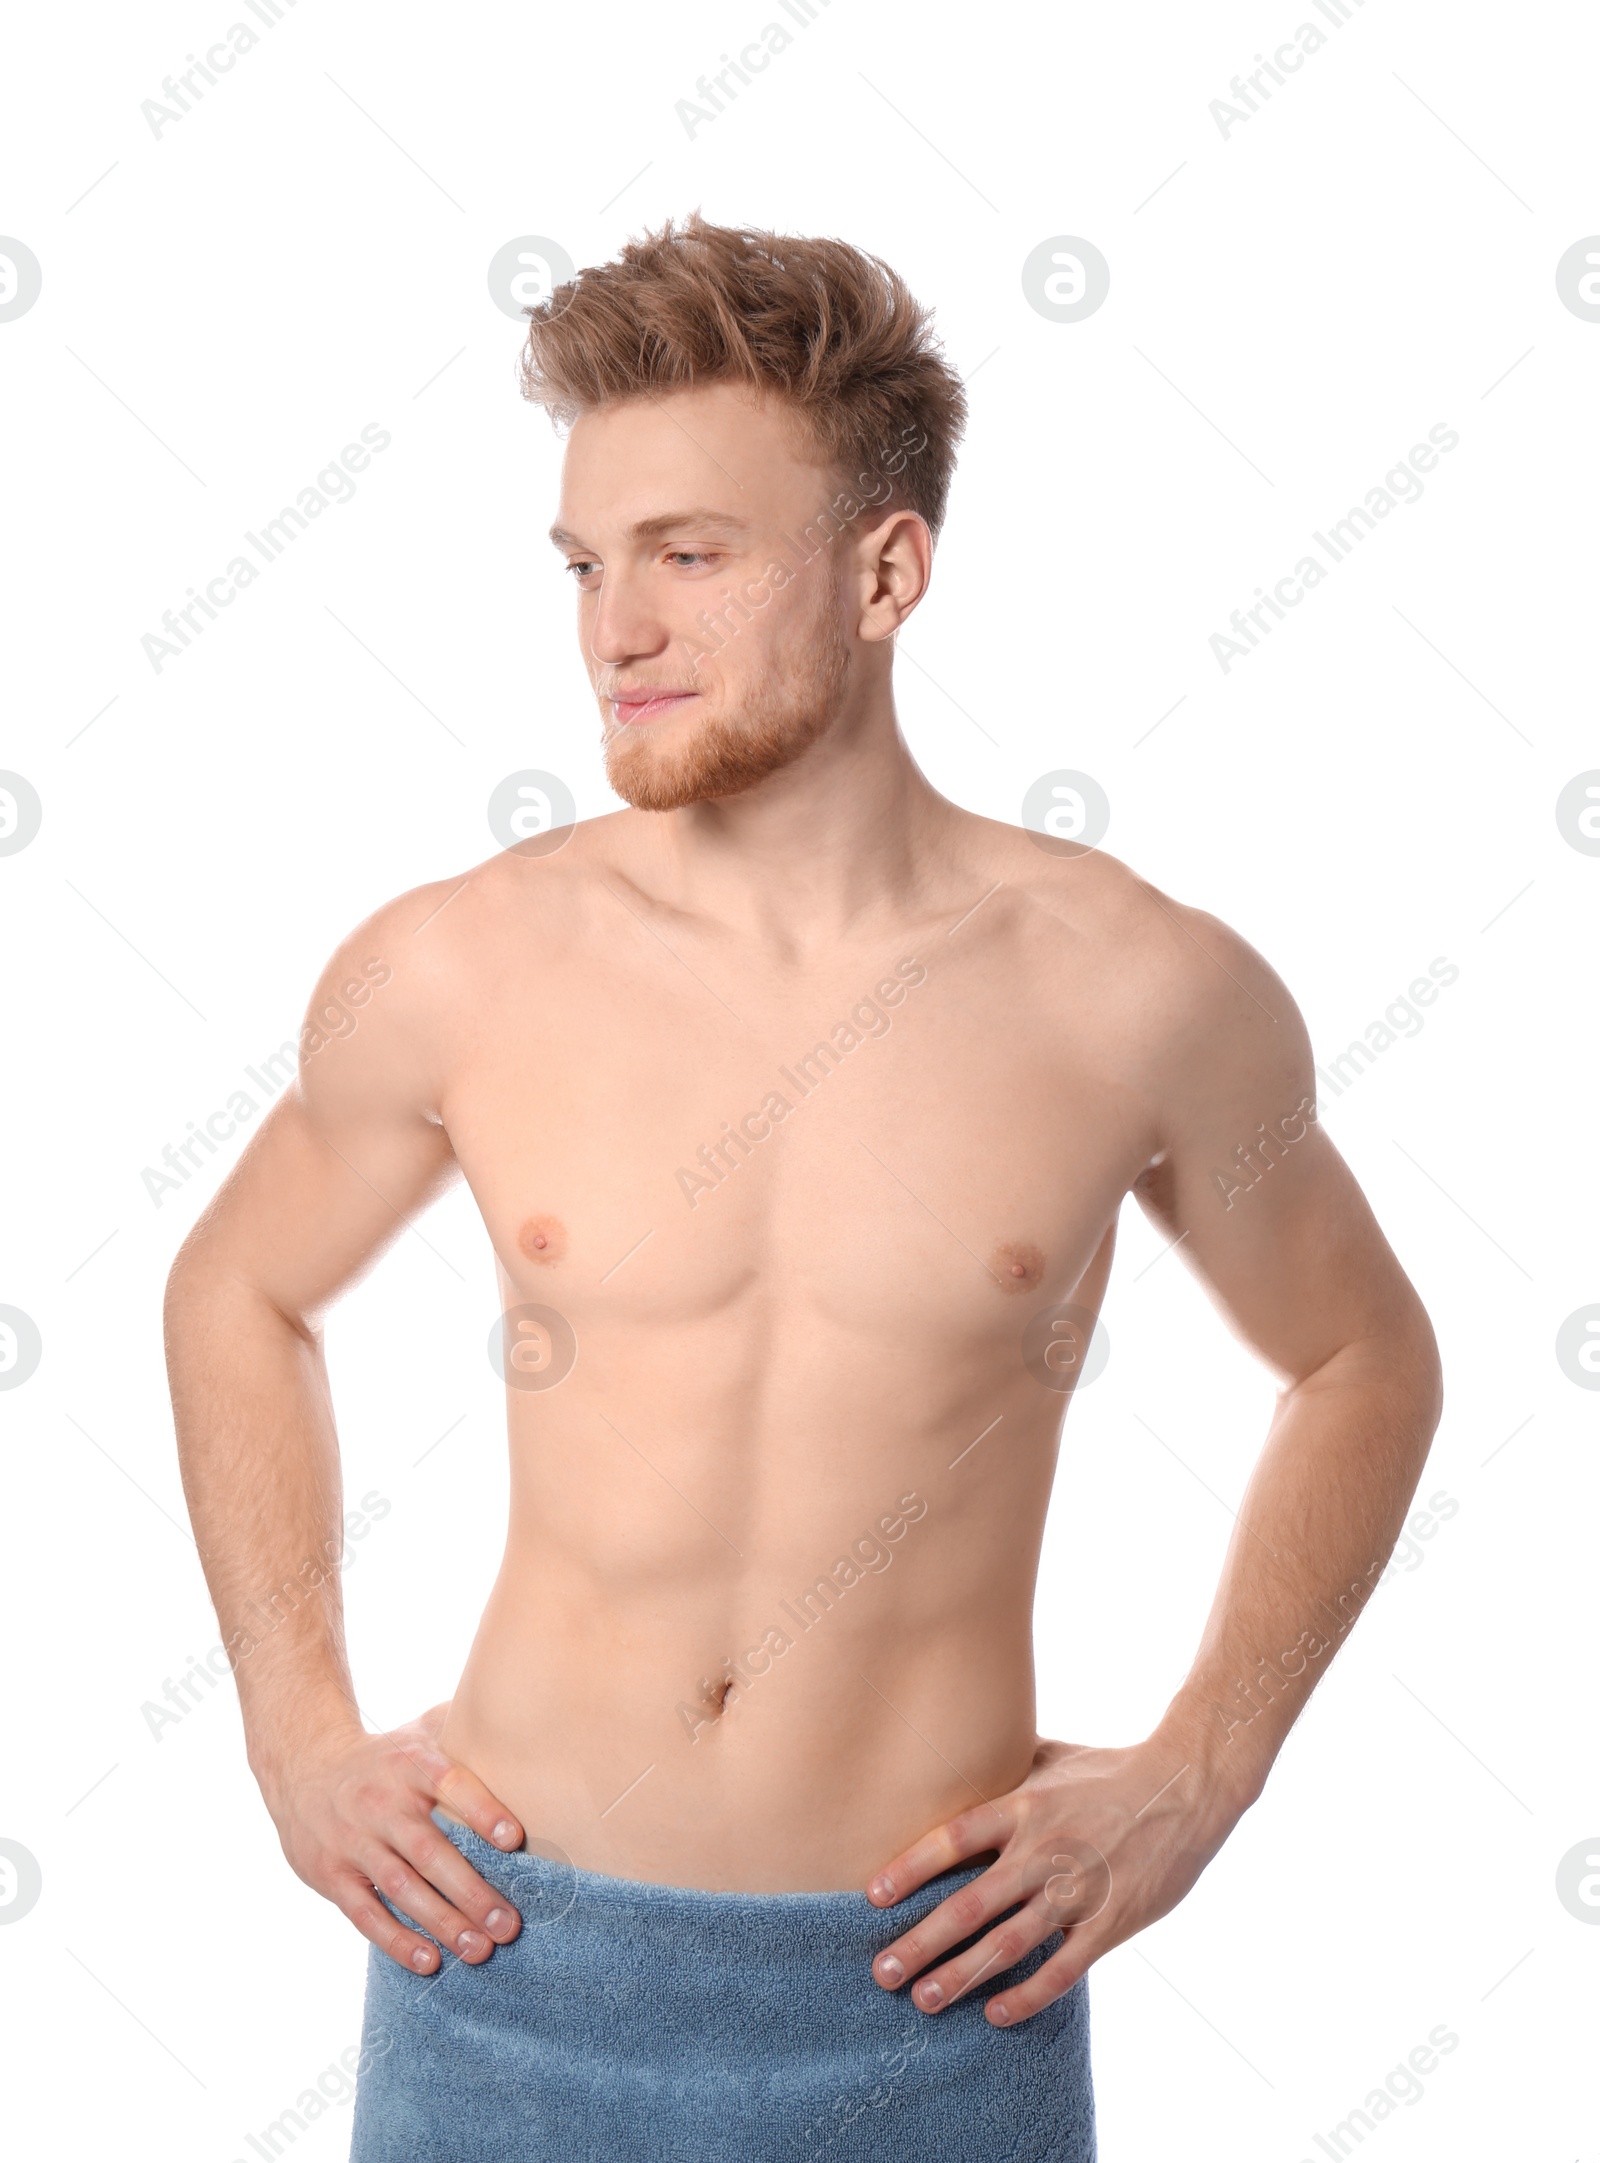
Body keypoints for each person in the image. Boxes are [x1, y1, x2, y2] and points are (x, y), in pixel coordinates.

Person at [164, 211, 1443, 2162]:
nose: (614, 629)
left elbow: (1359, 1353)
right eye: (587, 565)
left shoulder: (1134, 987)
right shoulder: (459, 966)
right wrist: (294, 1727)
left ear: (884, 567)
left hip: (930, 1985)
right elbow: (235, 1289)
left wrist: (1204, 1762)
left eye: (688, 553)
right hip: (506, 1955)